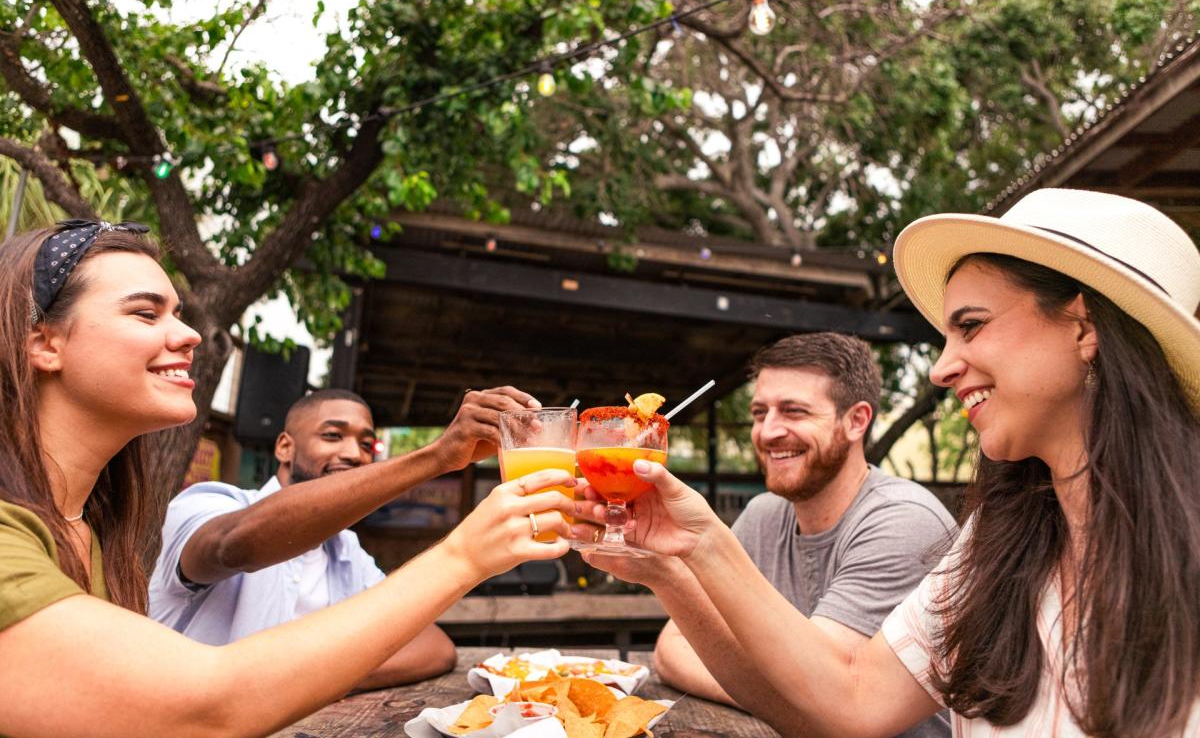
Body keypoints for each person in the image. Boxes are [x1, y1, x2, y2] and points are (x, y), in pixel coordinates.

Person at [577, 189, 1200, 736]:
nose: (940, 367)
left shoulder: (907, 519)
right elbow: (849, 701)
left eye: (972, 326)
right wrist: (690, 549)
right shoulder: (997, 542)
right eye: (758, 411)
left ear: (1083, 327)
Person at [0, 220, 576, 737]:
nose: (190, 335)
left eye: (178, 313)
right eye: (146, 313)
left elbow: (427, 644)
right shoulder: (207, 503)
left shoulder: (90, 527)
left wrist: (299, 671)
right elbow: (212, 680)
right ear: (44, 342)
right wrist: (464, 549)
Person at [634, 333, 954, 737]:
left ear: (856, 421)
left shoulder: (903, 522)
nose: (768, 432)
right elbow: (673, 647)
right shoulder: (764, 516)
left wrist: (772, 694)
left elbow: (824, 704)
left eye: (794, 411)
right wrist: (771, 695)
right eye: (759, 412)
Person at [150, 385, 529, 688]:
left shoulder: (344, 549)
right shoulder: (209, 505)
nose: (353, 454)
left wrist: (303, 683)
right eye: (333, 436)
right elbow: (235, 545)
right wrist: (437, 456)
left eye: (366, 444)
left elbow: (432, 647)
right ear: (285, 447)